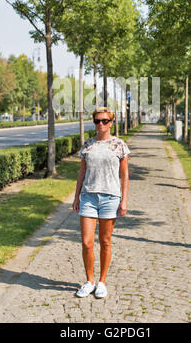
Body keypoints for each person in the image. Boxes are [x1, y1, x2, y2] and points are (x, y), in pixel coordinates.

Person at [72, 106, 130, 299]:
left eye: (105, 120)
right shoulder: (88, 144)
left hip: (110, 198)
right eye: (97, 121)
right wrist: (76, 196)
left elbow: (124, 175)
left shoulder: (119, 145)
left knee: (105, 241)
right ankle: (89, 281)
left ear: (112, 122)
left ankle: (102, 282)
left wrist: (124, 200)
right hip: (88, 197)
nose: (101, 124)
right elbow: (82, 172)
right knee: (87, 242)